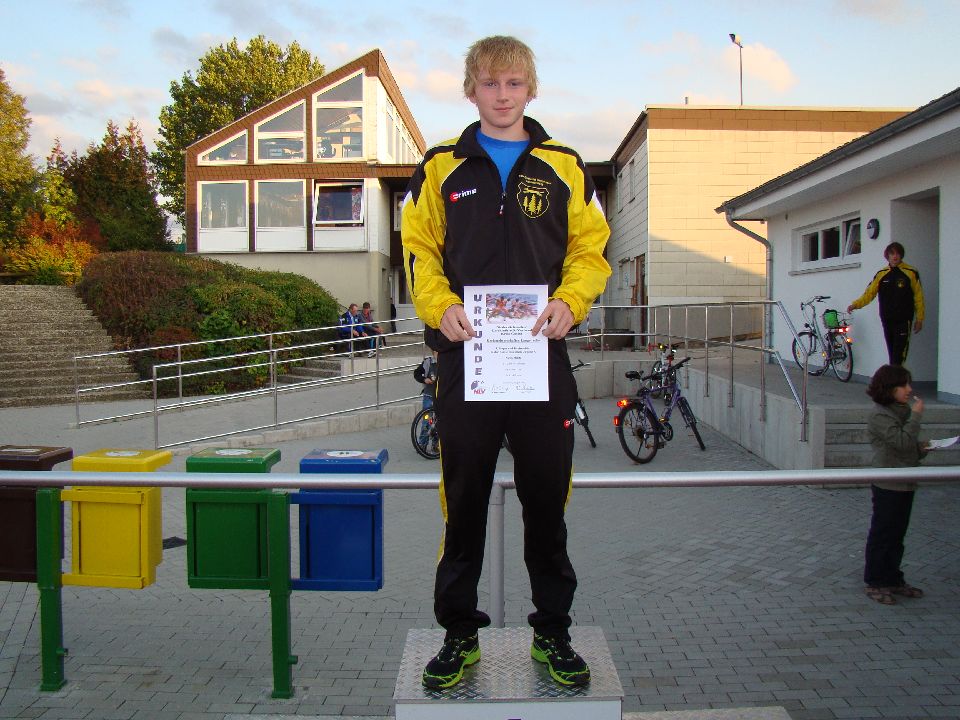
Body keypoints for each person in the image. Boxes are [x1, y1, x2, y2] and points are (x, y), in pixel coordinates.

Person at [401, 35, 611, 689]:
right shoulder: (439, 167)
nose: (501, 95)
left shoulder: (565, 166)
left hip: (540, 360)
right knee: (462, 503)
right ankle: (459, 634)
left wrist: (572, 301)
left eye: (513, 83)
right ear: (470, 90)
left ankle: (553, 632)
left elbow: (591, 251)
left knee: (546, 502)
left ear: (531, 89)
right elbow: (419, 251)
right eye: (489, 83)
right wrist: (439, 307)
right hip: (466, 361)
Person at [863, 364, 928, 605]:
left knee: (897, 534)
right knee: (883, 533)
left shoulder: (901, 411)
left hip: (906, 481)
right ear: (890, 388)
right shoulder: (880, 414)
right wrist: (916, 416)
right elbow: (901, 442)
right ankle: (875, 580)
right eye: (903, 385)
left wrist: (922, 449)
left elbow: (907, 446)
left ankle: (893, 578)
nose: (909, 390)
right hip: (888, 484)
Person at [847, 242, 924, 366]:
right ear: (887, 256)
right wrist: (855, 304)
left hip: (904, 320)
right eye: (892, 253)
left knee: (899, 356)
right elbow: (869, 294)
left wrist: (920, 319)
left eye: (897, 253)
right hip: (887, 319)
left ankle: (896, 378)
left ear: (901, 255)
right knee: (892, 354)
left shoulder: (911, 272)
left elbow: (918, 297)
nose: (895, 256)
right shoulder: (881, 274)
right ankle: (894, 377)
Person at [414, 352, 438, 447]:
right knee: (426, 420)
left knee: (439, 421)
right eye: (436, 352)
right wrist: (424, 379)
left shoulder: (446, 362)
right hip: (429, 395)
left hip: (441, 396)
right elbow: (417, 373)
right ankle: (423, 443)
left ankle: (436, 444)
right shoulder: (428, 362)